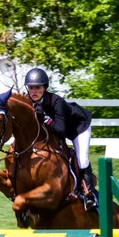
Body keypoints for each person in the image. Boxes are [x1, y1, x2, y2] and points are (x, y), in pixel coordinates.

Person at [24, 67, 98, 211]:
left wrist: (45, 118)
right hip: (57, 129)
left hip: (78, 128)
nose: (34, 91)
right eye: (31, 88)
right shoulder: (28, 100)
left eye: (37, 88)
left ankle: (89, 195)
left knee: (82, 159)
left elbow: (61, 131)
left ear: (44, 88)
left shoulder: (56, 101)